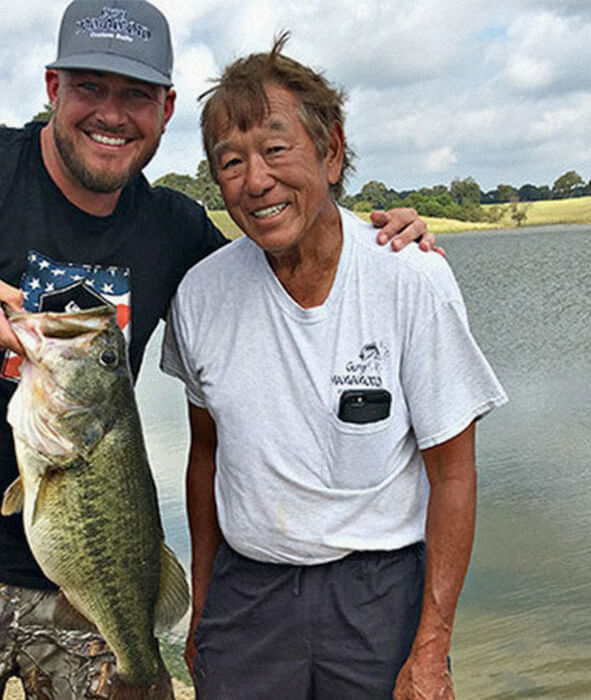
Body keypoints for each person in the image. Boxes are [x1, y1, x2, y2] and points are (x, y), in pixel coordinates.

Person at [0, 2, 435, 698]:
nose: (112, 113)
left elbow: (276, 274)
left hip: (100, 577)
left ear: (165, 109)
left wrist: (376, 239)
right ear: (53, 88)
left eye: (135, 95)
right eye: (90, 88)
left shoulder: (174, 230)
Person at [161, 33, 508, 700]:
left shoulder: (409, 280)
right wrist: (204, 603)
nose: (255, 180)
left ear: (332, 150)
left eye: (275, 148)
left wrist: (432, 649)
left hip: (380, 594)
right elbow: (204, 457)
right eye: (230, 162)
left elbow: (454, 474)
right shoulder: (201, 295)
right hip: (248, 593)